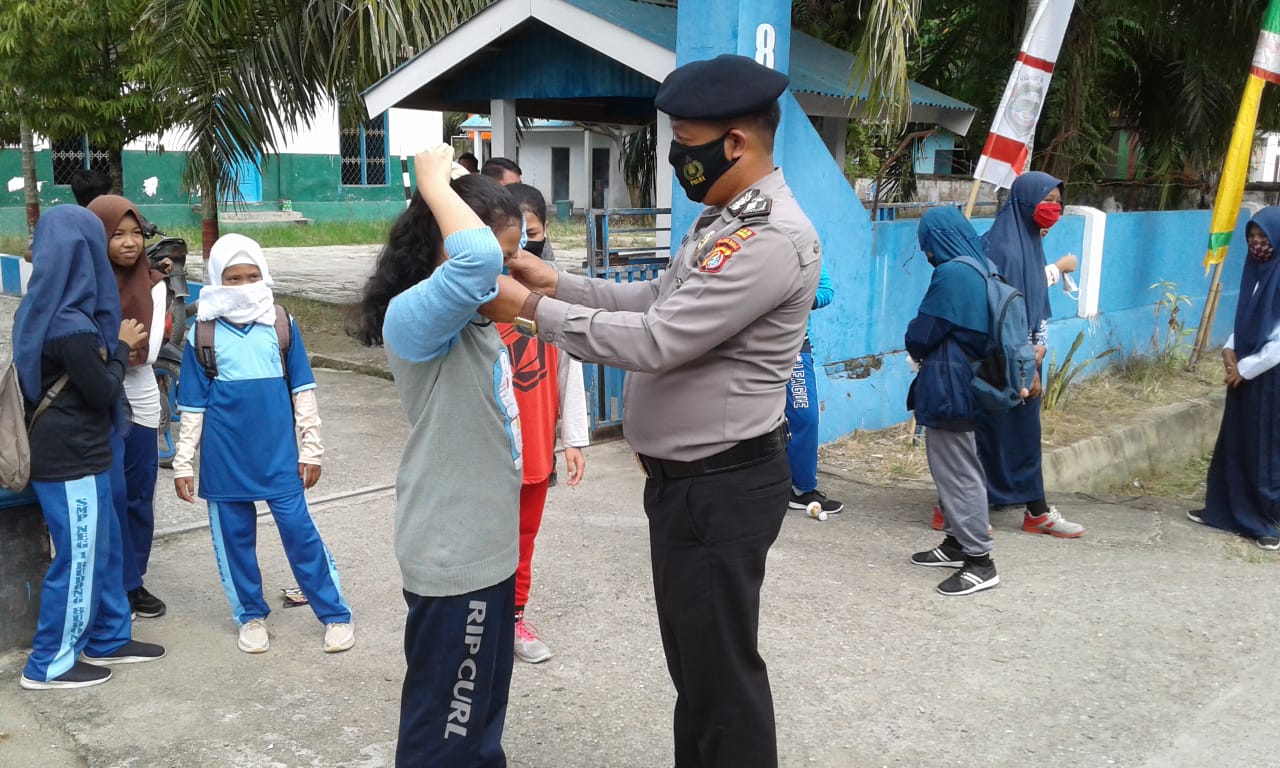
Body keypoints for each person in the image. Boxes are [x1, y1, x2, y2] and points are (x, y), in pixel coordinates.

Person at [482, 54, 820, 768]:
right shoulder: (723, 218)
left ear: (734, 143)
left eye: (685, 138)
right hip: (689, 485)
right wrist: (561, 282)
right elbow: (657, 301)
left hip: (720, 487)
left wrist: (533, 310)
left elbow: (661, 339)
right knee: (697, 674)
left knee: (721, 680)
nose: (675, 155)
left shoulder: (769, 238)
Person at [347, 146, 524, 767]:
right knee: (444, 736)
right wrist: (430, 179)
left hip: (487, 556)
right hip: (455, 561)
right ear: (441, 246)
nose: (504, 275)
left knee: (478, 726)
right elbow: (474, 260)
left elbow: (487, 262)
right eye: (497, 258)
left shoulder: (472, 322)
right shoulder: (415, 319)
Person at [171, 233, 352, 655]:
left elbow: (303, 391)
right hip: (224, 459)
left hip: (279, 457)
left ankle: (335, 614)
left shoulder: (281, 324)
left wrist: (312, 449)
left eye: (253, 276)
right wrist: (183, 463)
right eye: (233, 278)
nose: (244, 284)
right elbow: (192, 407)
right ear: (217, 278)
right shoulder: (203, 332)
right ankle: (250, 616)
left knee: (299, 533)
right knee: (235, 541)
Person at [14, 205, 166, 690]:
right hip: (69, 456)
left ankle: (106, 635)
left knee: (101, 550)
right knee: (78, 557)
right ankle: (49, 664)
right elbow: (102, 390)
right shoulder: (69, 325)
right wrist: (120, 347)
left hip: (85, 449)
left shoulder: (45, 308)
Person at [907, 207, 1029, 595]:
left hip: (950, 386)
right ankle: (958, 543)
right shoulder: (981, 267)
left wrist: (913, 335)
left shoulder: (953, 274)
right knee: (954, 466)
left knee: (957, 470)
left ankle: (980, 559)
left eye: (927, 242)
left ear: (937, 239)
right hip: (966, 381)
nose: (926, 251)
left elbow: (923, 332)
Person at [498, 182, 589, 664]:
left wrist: (572, 438)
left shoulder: (551, 296)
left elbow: (570, 366)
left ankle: (513, 619)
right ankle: (478, 625)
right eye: (506, 247)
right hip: (488, 453)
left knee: (523, 539)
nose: (517, 256)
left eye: (528, 240)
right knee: (482, 542)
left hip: (535, 444)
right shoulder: (472, 301)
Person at [970, 171, 1086, 538]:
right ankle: (1033, 510)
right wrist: (1027, 367)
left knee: (1005, 432)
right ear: (1024, 203)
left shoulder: (1027, 241)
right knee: (1004, 431)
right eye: (1047, 201)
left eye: (1057, 201)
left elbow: (1034, 300)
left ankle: (973, 503)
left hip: (1023, 358)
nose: (1054, 208)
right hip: (1009, 362)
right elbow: (1006, 314)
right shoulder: (1003, 249)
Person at [87, 195, 168, 619]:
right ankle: (109, 581)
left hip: (140, 396)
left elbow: (149, 352)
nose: (129, 242)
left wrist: (112, 347)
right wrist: (119, 346)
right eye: (117, 234)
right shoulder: (86, 283)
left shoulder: (155, 283)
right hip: (99, 400)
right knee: (111, 494)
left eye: (136, 233)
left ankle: (133, 581)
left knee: (138, 493)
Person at [1189, 208, 1280, 549]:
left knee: (1264, 449)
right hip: (1244, 373)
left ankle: (1264, 523)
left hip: (1269, 379)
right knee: (1236, 443)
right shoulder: (1255, 271)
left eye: (1264, 238)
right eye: (1252, 238)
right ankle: (1224, 510)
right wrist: (1229, 349)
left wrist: (1245, 367)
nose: (1257, 244)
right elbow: (1247, 316)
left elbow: (1278, 343)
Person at [785, 263, 843, 516]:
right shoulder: (747, 243)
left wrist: (798, 299)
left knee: (804, 415)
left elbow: (826, 290)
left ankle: (801, 488)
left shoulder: (804, 249)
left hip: (795, 346)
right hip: (752, 346)